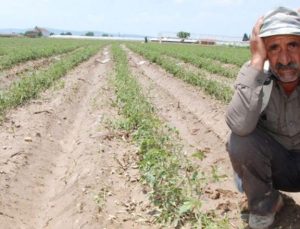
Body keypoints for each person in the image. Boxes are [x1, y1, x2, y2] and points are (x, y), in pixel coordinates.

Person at [225, 6, 300, 229]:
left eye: (293, 45)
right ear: (264, 50)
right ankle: (266, 204)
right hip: (275, 167)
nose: (285, 58)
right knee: (240, 140)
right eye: (274, 47)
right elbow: (239, 126)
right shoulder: (256, 75)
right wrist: (257, 62)